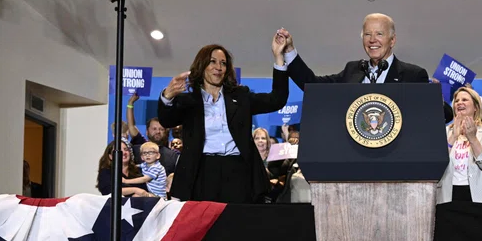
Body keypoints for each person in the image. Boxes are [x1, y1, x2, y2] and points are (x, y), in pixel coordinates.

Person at [157, 36, 288, 203]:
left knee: (237, 225)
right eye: (212, 62)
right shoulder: (188, 101)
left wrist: (279, 57)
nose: (218, 67)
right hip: (201, 172)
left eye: (223, 63)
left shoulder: (241, 97)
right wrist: (167, 96)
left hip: (238, 171)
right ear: (202, 65)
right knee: (205, 227)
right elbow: (166, 121)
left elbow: (277, 99)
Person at [275, 14, 453, 122]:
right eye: (367, 34)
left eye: (379, 34)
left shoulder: (413, 75)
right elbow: (312, 85)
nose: (372, 40)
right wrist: (289, 51)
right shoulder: (353, 70)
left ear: (393, 40)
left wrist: (435, 99)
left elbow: (445, 115)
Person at [436, 86, 482, 204]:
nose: (459, 103)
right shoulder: (445, 132)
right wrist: (453, 137)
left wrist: (473, 139)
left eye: (464, 100)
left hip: (480, 196)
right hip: (448, 194)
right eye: (457, 101)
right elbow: (437, 164)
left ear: (475, 107)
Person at [127, 93, 178, 175]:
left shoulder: (172, 155)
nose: (158, 131)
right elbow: (131, 126)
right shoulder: (140, 145)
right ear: (147, 131)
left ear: (166, 132)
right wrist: (130, 104)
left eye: (161, 129)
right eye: (154, 129)